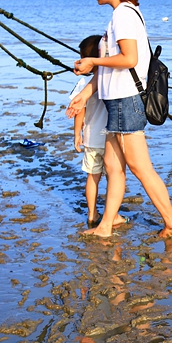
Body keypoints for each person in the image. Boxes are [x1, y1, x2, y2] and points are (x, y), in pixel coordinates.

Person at [67, 0, 172, 240]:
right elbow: (113, 66)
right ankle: (106, 225)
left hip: (126, 101)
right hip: (115, 102)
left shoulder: (123, 15)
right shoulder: (122, 14)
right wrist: (85, 93)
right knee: (113, 166)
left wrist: (93, 59)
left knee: (140, 167)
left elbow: (128, 59)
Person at [70, 35, 111, 228]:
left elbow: (79, 111)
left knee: (92, 177)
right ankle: (112, 214)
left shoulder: (82, 85)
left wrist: (76, 134)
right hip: (111, 138)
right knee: (114, 177)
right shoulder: (111, 81)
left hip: (92, 138)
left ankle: (92, 213)